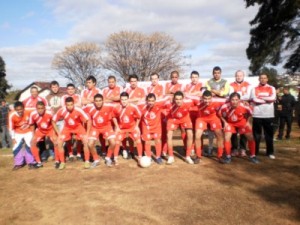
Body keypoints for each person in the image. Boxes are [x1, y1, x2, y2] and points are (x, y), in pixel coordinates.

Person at [219, 92, 259, 164]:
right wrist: (225, 123)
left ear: (239, 100)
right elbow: (220, 114)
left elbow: (250, 113)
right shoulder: (224, 106)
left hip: (242, 122)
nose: (234, 101)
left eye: (236, 100)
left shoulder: (244, 106)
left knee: (250, 137)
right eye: (233, 100)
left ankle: (253, 155)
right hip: (230, 123)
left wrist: (248, 122)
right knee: (226, 137)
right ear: (230, 100)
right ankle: (228, 156)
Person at [52, 97, 91, 169]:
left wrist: (87, 134)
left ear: (74, 104)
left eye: (71, 104)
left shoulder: (79, 110)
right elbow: (53, 121)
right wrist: (59, 133)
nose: (70, 106)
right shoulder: (61, 110)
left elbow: (88, 120)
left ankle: (87, 161)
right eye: (68, 105)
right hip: (67, 128)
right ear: (65, 105)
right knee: (59, 142)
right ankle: (62, 162)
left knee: (85, 141)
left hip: (78, 127)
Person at [85, 94, 116, 167]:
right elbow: (88, 120)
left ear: (103, 101)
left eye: (100, 101)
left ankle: (108, 158)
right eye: (96, 101)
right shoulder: (89, 108)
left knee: (113, 142)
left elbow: (119, 108)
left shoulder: (109, 107)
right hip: (95, 127)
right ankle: (96, 160)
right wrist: (87, 133)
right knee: (90, 144)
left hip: (106, 127)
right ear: (94, 102)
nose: (98, 102)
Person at [193, 90, 223, 163]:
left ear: (212, 98)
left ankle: (220, 156)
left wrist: (243, 102)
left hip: (213, 118)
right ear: (202, 98)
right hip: (201, 118)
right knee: (197, 136)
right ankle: (198, 156)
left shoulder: (217, 101)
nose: (207, 101)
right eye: (205, 99)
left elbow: (230, 99)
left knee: (219, 135)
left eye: (209, 98)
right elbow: (185, 95)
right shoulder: (197, 100)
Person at [112, 92, 143, 165]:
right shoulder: (117, 107)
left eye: (125, 99)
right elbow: (113, 117)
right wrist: (117, 127)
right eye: (122, 99)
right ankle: (115, 159)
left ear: (128, 99)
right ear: (120, 100)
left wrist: (136, 126)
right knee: (117, 142)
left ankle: (140, 157)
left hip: (132, 127)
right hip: (121, 128)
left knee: (138, 141)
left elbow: (139, 117)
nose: (124, 101)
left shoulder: (133, 107)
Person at [205, 66, 230, 155]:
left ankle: (221, 148)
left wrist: (214, 91)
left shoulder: (225, 82)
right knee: (211, 130)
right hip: (212, 109)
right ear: (213, 73)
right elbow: (208, 93)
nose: (216, 74)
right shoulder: (208, 82)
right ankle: (210, 147)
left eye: (218, 73)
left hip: (222, 108)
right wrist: (219, 92)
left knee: (222, 131)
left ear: (220, 73)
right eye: (215, 73)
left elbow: (225, 93)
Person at [250, 73, 276, 159]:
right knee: (256, 135)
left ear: (267, 79)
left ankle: (270, 152)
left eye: (264, 78)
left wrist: (260, 97)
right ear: (259, 79)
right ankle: (255, 152)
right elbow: (254, 100)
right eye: (261, 78)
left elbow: (272, 98)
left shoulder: (272, 88)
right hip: (257, 115)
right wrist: (266, 99)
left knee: (269, 135)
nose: (263, 79)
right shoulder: (254, 89)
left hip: (268, 115)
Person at [138, 93, 169, 164]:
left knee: (157, 140)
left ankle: (158, 157)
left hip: (156, 127)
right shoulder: (142, 106)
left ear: (155, 101)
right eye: (149, 101)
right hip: (146, 127)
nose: (150, 102)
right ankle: (148, 157)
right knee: (147, 141)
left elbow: (167, 97)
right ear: (146, 101)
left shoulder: (159, 104)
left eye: (152, 101)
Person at [165, 91, 195, 165]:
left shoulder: (189, 102)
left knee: (190, 134)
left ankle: (188, 156)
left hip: (185, 118)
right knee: (169, 135)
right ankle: (171, 156)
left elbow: (197, 100)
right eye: (176, 99)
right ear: (174, 99)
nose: (178, 101)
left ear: (183, 99)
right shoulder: (168, 104)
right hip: (173, 119)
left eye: (180, 99)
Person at [8, 101, 40, 170]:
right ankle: (18, 163)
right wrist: (13, 138)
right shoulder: (11, 115)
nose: (19, 111)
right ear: (15, 109)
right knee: (16, 147)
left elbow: (38, 107)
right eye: (17, 110)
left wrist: (49, 108)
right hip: (17, 132)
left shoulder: (28, 111)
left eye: (21, 109)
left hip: (28, 131)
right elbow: (11, 128)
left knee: (30, 145)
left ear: (23, 108)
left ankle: (31, 163)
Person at [229, 70, 252, 157]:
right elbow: (230, 96)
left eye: (240, 75)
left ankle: (243, 149)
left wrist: (240, 98)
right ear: (235, 76)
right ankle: (234, 149)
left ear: (243, 76)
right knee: (233, 130)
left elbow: (249, 96)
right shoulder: (231, 85)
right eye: (237, 75)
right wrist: (242, 99)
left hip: (244, 110)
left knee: (244, 129)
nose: (239, 77)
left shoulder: (248, 85)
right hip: (234, 109)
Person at [29, 101, 58, 167]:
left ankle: (57, 161)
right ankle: (38, 162)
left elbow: (53, 123)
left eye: (42, 108)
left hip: (50, 130)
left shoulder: (50, 113)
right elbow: (32, 125)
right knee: (32, 142)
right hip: (40, 130)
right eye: (38, 108)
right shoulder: (33, 114)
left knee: (56, 142)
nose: (40, 110)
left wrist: (54, 133)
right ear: (36, 108)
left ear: (44, 108)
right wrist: (33, 135)